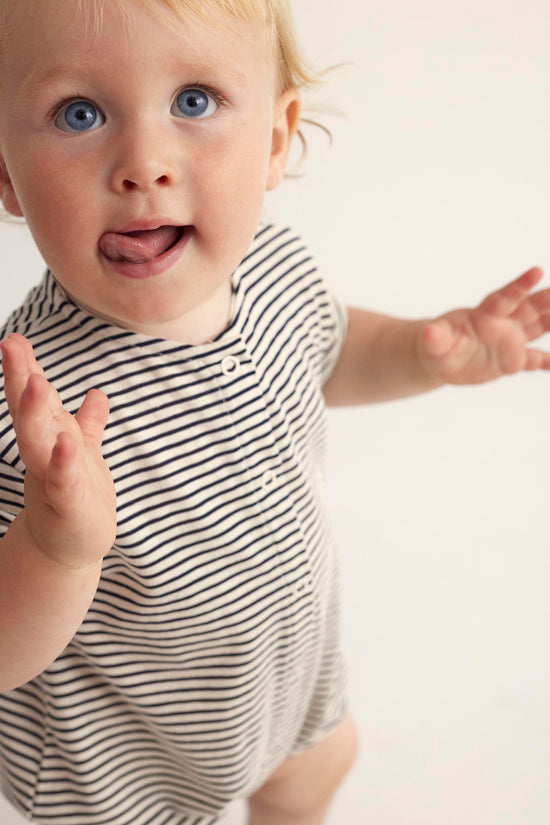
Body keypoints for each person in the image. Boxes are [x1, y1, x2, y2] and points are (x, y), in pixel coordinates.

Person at [0, 0, 548, 823]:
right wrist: (56, 544)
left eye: (193, 101)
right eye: (80, 113)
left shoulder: (278, 269)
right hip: (125, 759)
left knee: (321, 767)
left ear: (274, 138)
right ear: (4, 172)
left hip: (284, 679)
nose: (143, 163)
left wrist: (426, 352)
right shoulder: (35, 412)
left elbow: (327, 352)